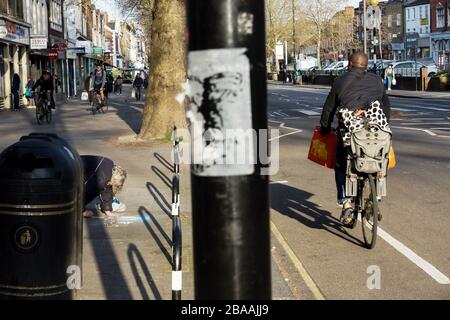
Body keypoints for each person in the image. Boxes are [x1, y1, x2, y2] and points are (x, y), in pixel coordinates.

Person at [319, 52, 391, 225]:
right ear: (366, 66)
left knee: (340, 164)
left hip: (350, 134)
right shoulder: (376, 81)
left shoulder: (340, 81)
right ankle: (377, 195)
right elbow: (386, 107)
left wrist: (325, 128)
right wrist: (384, 126)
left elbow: (329, 109)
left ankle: (346, 203)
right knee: (381, 159)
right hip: (376, 133)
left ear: (350, 65)